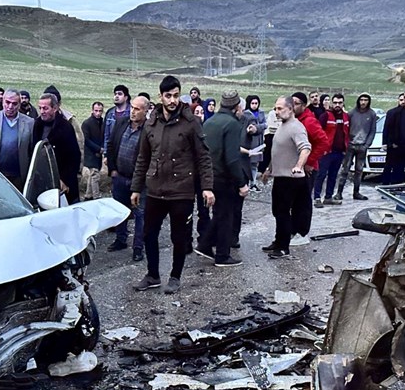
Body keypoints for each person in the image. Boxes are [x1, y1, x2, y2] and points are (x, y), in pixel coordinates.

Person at [130, 75, 214, 294]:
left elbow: (203, 156)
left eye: (176, 95)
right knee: (149, 234)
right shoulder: (151, 123)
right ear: (160, 97)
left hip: (181, 191)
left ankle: (175, 277)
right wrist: (136, 188)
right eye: (168, 96)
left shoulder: (191, 123)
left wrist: (207, 187)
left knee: (179, 237)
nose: (172, 100)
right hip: (156, 190)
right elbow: (143, 158)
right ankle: (152, 275)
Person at [195, 90, 249, 267]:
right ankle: (222, 256)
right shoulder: (232, 124)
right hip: (224, 178)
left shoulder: (210, 122)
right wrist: (241, 183)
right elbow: (232, 159)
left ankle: (204, 245)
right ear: (236, 107)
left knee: (219, 214)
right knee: (226, 216)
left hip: (207, 175)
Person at [262, 95, 313, 257]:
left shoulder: (296, 127)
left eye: (280, 108)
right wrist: (269, 169)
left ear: (290, 109)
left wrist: (298, 166)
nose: (276, 112)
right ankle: (278, 241)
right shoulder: (283, 126)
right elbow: (278, 152)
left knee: (283, 212)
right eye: (275, 108)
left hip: (291, 179)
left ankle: (283, 247)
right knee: (278, 211)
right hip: (281, 177)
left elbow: (305, 148)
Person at [106, 95, 149, 261]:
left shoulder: (149, 130)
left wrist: (141, 181)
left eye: (137, 109)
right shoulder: (122, 123)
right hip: (119, 177)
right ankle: (120, 239)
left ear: (145, 111)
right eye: (132, 107)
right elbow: (111, 145)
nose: (133, 112)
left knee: (140, 214)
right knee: (119, 210)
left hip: (138, 181)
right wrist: (112, 169)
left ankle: (138, 247)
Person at [0, 89, 35, 190]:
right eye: (7, 102)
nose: (10, 107)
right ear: (3, 101)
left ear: (19, 104)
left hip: (18, 176)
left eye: (14, 104)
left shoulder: (29, 123)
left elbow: (31, 151)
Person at [33, 93, 82, 203]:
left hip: (63, 182)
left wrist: (65, 180)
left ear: (55, 108)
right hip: (42, 180)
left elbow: (74, 157)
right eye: (40, 108)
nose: (42, 111)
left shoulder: (65, 127)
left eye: (45, 108)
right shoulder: (37, 125)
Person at [338, 93, 377, 201]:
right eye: (361, 100)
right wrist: (346, 143)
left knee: (359, 171)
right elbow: (345, 129)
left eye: (366, 100)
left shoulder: (372, 114)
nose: (363, 102)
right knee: (345, 170)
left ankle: (356, 192)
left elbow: (372, 131)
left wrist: (367, 145)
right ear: (358, 101)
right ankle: (339, 192)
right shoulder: (351, 113)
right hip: (350, 145)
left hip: (362, 146)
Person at [313, 94, 349, 205]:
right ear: (332, 103)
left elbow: (347, 133)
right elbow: (318, 133)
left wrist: (345, 148)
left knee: (333, 176)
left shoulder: (346, 117)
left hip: (339, 152)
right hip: (326, 152)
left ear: (343, 104)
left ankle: (328, 197)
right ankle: (317, 198)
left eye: (340, 103)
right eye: (335, 102)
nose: (337, 105)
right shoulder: (325, 116)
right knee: (321, 175)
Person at [80, 101, 105, 200]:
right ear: (92, 110)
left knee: (93, 175)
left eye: (100, 111)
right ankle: (96, 196)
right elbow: (86, 140)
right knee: (95, 175)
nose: (98, 113)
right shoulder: (87, 123)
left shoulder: (102, 122)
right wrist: (99, 149)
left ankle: (88, 195)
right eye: (96, 111)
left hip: (98, 152)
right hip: (91, 153)